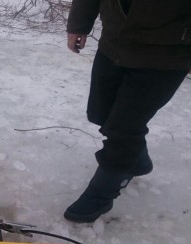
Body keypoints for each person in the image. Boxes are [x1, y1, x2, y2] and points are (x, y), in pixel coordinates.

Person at [64, 0, 191, 222]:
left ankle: (101, 194)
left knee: (123, 127)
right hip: (114, 43)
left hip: (166, 54)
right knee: (100, 113)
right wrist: (78, 24)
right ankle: (137, 161)